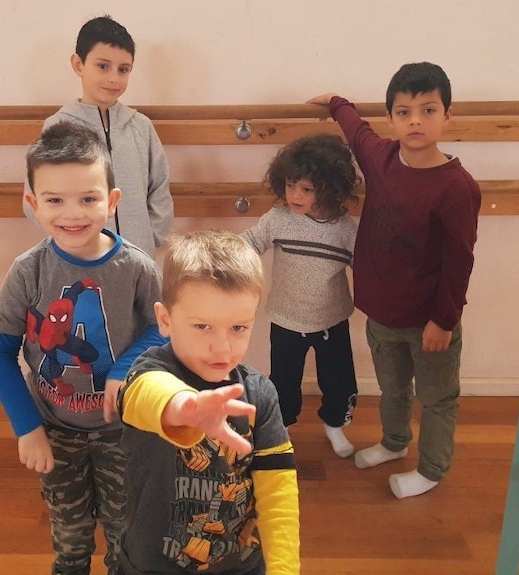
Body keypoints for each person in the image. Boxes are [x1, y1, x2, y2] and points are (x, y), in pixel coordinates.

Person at [0, 121, 167, 575]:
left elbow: (161, 329)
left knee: (125, 532)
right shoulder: (28, 271)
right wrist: (27, 428)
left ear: (113, 201)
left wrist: (124, 367)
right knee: (70, 537)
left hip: (122, 430)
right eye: (55, 200)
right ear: (33, 204)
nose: (73, 213)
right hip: (54, 429)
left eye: (88, 198)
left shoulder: (138, 269)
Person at [308, 62, 481, 499]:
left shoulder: (456, 187)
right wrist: (335, 102)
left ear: (448, 115)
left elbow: (459, 261)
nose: (415, 121)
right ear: (392, 118)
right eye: (404, 112)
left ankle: (432, 468)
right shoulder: (380, 156)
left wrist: (444, 320)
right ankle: (393, 441)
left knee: (437, 398)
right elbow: (354, 128)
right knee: (392, 388)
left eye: (428, 110)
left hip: (430, 323)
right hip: (382, 314)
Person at [117, 231, 300, 575]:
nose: (222, 348)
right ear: (165, 319)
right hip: (151, 564)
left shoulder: (260, 393)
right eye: (202, 326)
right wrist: (186, 407)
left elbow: (278, 490)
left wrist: (284, 569)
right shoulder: (146, 371)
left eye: (238, 327)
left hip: (240, 564)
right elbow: (147, 394)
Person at [241, 134, 360, 458]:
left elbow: (368, 269)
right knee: (283, 382)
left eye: (306, 189)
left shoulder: (346, 229)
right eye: (291, 185)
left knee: (339, 381)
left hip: (331, 320)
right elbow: (248, 243)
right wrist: (219, 256)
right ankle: (282, 429)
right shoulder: (278, 219)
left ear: (329, 187)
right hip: (285, 318)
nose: (295, 195)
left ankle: (335, 425)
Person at [23, 14, 174, 256]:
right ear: (78, 65)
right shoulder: (58, 125)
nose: (114, 78)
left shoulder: (141, 126)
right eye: (103, 66)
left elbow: (159, 187)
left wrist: (151, 237)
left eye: (123, 69)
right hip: (76, 257)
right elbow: (35, 194)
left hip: (137, 255)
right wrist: (68, 236)